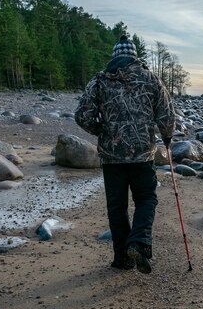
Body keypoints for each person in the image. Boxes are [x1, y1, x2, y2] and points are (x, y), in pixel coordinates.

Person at [75, 34, 176, 273]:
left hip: (112, 155)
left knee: (116, 207)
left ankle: (122, 258)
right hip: (142, 153)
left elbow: (82, 115)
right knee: (146, 199)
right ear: (134, 56)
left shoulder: (100, 80)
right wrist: (168, 138)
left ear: (115, 56)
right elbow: (166, 114)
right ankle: (139, 243)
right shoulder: (151, 79)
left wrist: (101, 130)